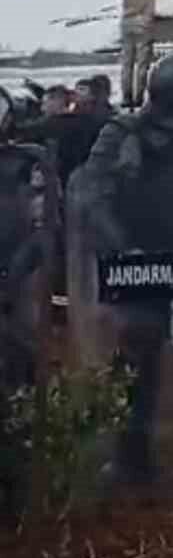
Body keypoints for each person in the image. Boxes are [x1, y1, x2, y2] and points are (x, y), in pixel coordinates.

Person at [75, 49, 173, 497]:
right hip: (138, 266)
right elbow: (92, 195)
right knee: (136, 364)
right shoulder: (123, 132)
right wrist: (124, 251)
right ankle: (132, 462)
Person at [0, 85, 54, 519]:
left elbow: (44, 226)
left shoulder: (27, 163)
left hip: (16, 284)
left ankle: (20, 482)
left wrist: (14, 273)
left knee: (20, 368)